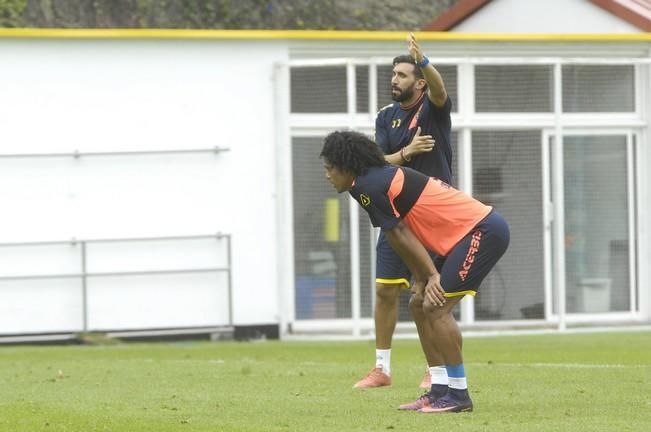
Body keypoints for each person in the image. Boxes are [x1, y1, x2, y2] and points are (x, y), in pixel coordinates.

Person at [320, 131, 509, 413]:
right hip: (462, 237)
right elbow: (402, 233)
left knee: (436, 307)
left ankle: (458, 396)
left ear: (346, 167)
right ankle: (439, 390)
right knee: (419, 304)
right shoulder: (369, 182)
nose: (327, 176)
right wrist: (421, 276)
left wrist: (430, 275)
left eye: (329, 169)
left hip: (481, 231)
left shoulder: (368, 186)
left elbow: (399, 233)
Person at [354, 32, 453, 390]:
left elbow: (441, 91)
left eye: (402, 75)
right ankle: (381, 369)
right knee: (384, 290)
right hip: (396, 215)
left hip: (432, 216)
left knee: (425, 293)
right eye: (393, 74)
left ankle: (435, 369)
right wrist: (408, 153)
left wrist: (424, 59)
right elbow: (376, 163)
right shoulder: (386, 116)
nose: (394, 80)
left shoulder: (433, 109)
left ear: (419, 83)